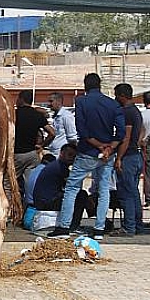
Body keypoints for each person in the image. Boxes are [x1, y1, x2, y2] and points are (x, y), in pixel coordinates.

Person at [48, 73, 124, 240]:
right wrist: (109, 148)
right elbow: (121, 132)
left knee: (72, 188)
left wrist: (99, 146)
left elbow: (82, 130)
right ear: (100, 85)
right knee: (104, 190)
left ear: (85, 86)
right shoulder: (112, 104)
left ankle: (64, 226)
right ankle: (99, 229)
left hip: (87, 152)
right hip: (108, 155)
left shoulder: (81, 101)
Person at [33, 143, 90, 233]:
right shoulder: (60, 168)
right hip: (47, 202)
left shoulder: (56, 165)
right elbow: (72, 188)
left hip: (44, 200)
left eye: (74, 156)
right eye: (69, 155)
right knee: (81, 195)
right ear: (61, 154)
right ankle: (74, 225)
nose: (72, 159)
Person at [111, 83, 144, 237]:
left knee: (126, 194)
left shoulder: (126, 112)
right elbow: (141, 131)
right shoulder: (136, 111)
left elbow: (126, 136)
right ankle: (138, 225)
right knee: (134, 192)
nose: (115, 98)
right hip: (136, 155)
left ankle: (129, 227)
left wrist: (119, 158)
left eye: (116, 95)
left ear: (122, 96)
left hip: (128, 157)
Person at [14, 90, 55, 194]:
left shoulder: (14, 115)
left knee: (9, 184)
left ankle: (11, 207)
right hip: (32, 155)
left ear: (21, 99)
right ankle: (30, 205)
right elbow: (52, 133)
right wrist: (42, 146)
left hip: (16, 155)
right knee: (31, 184)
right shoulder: (36, 115)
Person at [47, 92, 78, 158]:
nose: (49, 104)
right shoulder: (56, 116)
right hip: (53, 152)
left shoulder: (66, 116)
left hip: (61, 154)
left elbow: (72, 137)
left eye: (51, 101)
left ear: (58, 101)